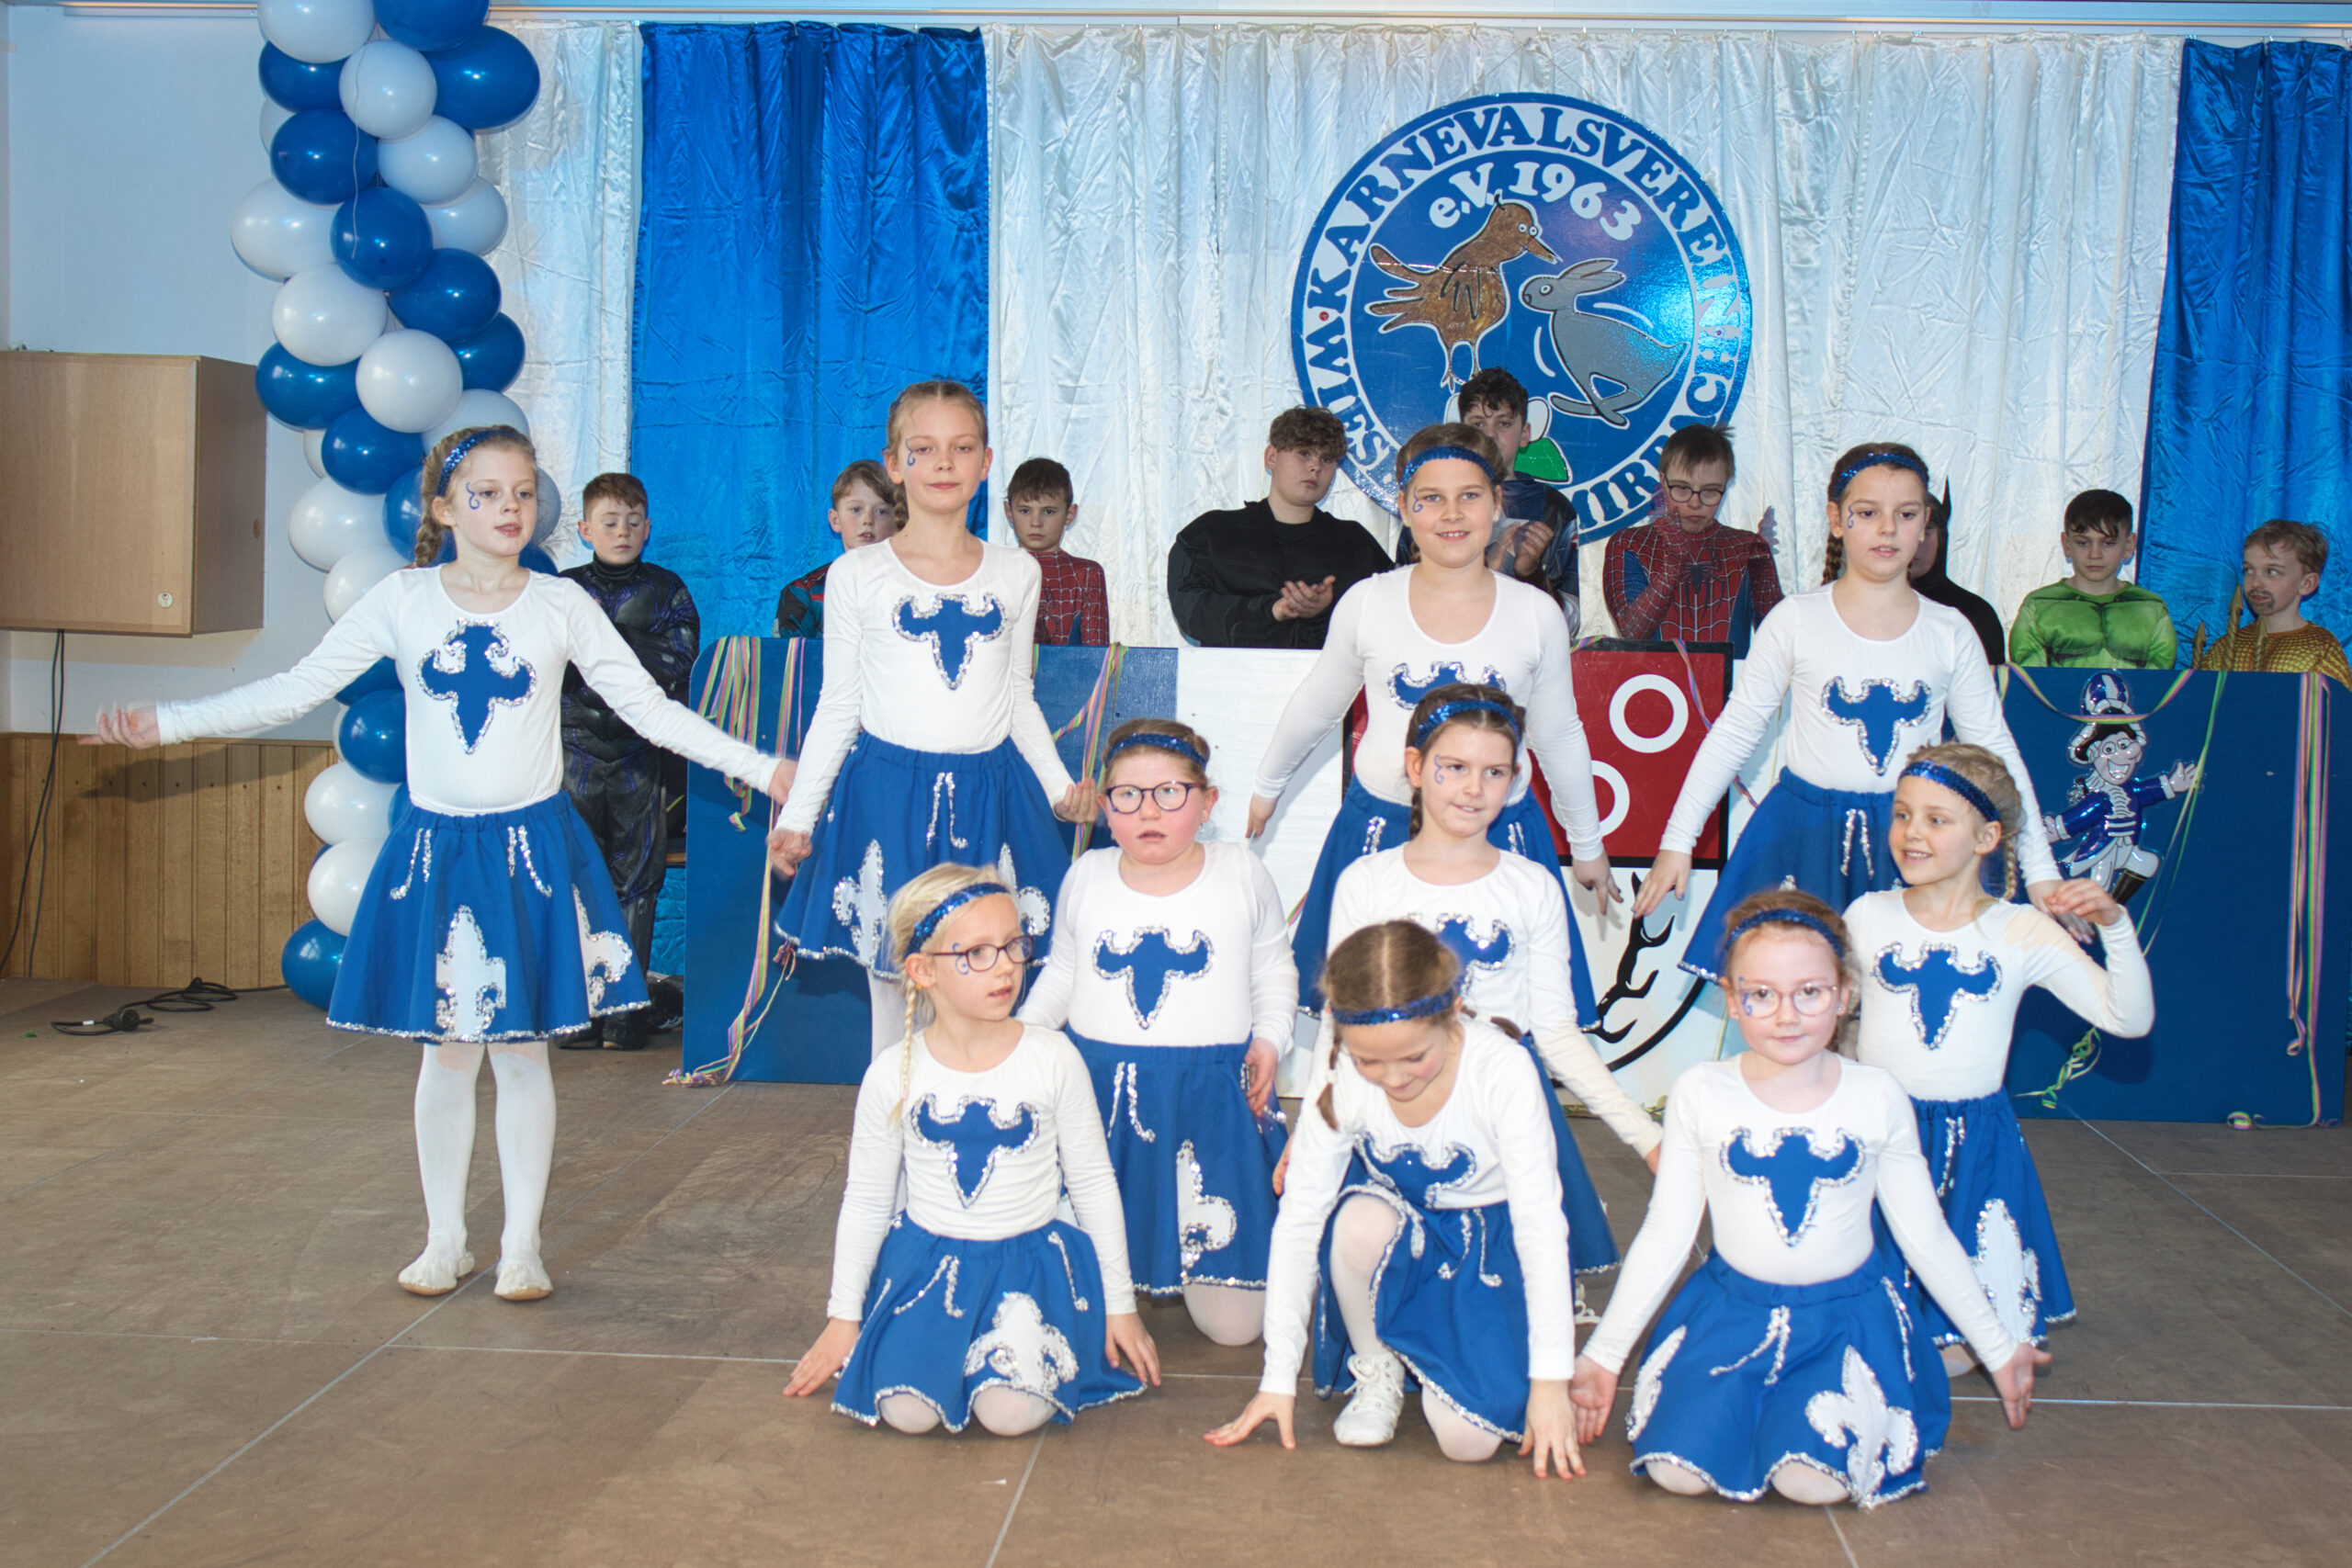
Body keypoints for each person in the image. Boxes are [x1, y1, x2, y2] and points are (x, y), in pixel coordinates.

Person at [85, 426, 790, 1303]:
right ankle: (445, 1238)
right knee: (448, 1055)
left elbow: (650, 709)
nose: (509, 508)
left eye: (523, 492)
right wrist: (168, 721)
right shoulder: (403, 600)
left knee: (523, 1053)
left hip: (531, 852)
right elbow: (295, 688)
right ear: (445, 508)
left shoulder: (562, 605)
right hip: (440, 853)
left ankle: (522, 1245)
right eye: (487, 493)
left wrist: (764, 767)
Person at [1569, 890, 2048, 1507]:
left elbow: (1925, 1235)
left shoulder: (1876, 1095)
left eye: (1810, 992)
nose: (1786, 1015)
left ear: (1844, 994)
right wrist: (1604, 1355)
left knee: (1810, 1482)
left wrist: (1997, 1345)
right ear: (1732, 997)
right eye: (1762, 994)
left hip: (1843, 1324)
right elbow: (1666, 1233)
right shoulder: (1701, 1092)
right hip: (1731, 1317)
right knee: (1676, 1474)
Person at [1635, 442, 2065, 980]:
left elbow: (1995, 750)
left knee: (1897, 997)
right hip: (1803, 836)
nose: (1887, 528)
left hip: (1912, 842)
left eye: (1905, 514)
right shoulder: (1796, 619)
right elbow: (1735, 731)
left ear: (1925, 525)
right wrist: (1677, 841)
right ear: (1837, 520)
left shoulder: (1951, 631)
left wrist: (2040, 869)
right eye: (1868, 512)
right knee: (1796, 993)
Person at [767, 381, 1095, 1058]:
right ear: (895, 463)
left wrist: (1060, 787)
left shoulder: (1016, 572)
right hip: (886, 797)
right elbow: (839, 704)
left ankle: (975, 1118)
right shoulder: (857, 574)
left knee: (986, 977)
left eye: (962, 448)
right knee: (898, 990)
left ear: (986, 462)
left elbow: (1017, 695)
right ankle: (896, 1125)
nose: (944, 463)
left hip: (990, 796)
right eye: (924, 449)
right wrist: (798, 817)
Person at [1248, 423, 1616, 1013]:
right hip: (1381, 829)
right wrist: (1268, 786)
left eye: (1469, 495)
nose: (1451, 514)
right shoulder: (1368, 602)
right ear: (1403, 507)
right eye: (1431, 498)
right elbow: (1319, 702)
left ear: (1497, 503)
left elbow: (1557, 733)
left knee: (1500, 1016)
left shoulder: (1536, 613)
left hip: (1500, 834)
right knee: (1376, 1013)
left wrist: (1588, 843)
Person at [782, 865, 1159, 1433]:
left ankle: (996, 1359)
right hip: (928, 1267)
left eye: (1013, 945)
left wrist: (1120, 1304)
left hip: (1031, 1267)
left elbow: (1093, 1184)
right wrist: (843, 1317)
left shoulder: (1053, 1058)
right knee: (906, 1413)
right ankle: (948, 1352)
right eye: (977, 953)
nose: (1006, 966)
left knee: (1008, 1415)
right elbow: (866, 1200)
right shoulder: (893, 1072)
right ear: (922, 970)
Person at [1305, 683, 1662, 1281]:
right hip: (1395, 1105)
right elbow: (1339, 1027)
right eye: (1454, 767)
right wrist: (1317, 1130)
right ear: (1415, 767)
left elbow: (1555, 1031)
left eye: (1493, 772)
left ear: (1515, 779)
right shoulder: (1366, 882)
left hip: (1503, 1114)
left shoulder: (1531, 885)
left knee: (1503, 1308)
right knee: (1379, 1270)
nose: (1473, 788)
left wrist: (1646, 1134)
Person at [1205, 921, 1582, 1474]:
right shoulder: (1343, 1075)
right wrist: (1278, 1378)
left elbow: (1540, 1226)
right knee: (1355, 1219)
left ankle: (1454, 1358)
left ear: (1453, 1011)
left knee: (1467, 1442)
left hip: (1492, 1251)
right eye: (1370, 1061)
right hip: (1404, 1238)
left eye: (1413, 1057)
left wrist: (1551, 1382)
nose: (1393, 1078)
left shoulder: (1502, 1070)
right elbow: (1301, 1219)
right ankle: (1377, 1363)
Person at [1849, 743, 2152, 1369]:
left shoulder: (2020, 931)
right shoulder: (1867, 916)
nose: (1911, 832)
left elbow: (2129, 1018)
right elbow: (1830, 1018)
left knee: (1960, 1346)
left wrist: (2116, 927)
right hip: (1880, 1130)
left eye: (1936, 819)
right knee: (1866, 1323)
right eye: (1902, 814)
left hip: (1974, 1143)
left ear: (1987, 836)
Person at [1017, 718, 1295, 1346]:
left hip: (1213, 1104)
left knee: (1235, 1330)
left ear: (1207, 801)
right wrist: (1021, 1039)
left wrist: (1271, 1039)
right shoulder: (1087, 874)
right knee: (1069, 1303)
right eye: (1128, 795)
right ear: (1104, 806)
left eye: (1170, 792)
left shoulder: (1241, 872)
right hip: (1100, 1100)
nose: (1148, 811)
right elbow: (1062, 974)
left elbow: (1274, 970)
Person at [556, 471, 700, 1052]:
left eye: (633, 521)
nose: (623, 531)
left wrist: (601, 638)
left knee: (638, 881)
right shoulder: (561, 592)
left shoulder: (667, 590)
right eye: (610, 521)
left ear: (648, 528)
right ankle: (577, 1010)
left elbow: (678, 664)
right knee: (576, 877)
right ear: (585, 529)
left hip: (640, 756)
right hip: (573, 754)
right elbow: (547, 665)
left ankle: (625, 1011)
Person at [1166, 406, 1392, 649]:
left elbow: (1391, 618)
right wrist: (1273, 609)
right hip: (1233, 672)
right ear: (1271, 457)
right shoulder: (1211, 534)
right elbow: (1192, 612)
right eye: (1304, 453)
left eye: (1327, 459)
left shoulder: (1355, 544)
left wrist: (1324, 612)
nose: (1316, 467)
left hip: (1330, 672)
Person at [1394, 369, 1581, 629]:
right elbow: (1399, 603)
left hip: (1521, 646)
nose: (1490, 435)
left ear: (1525, 434)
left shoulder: (1553, 508)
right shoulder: (1429, 504)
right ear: (1461, 432)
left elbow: (1570, 623)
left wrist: (1531, 574)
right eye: (1478, 424)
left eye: (1503, 424)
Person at [1601, 423, 1783, 655]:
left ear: (1726, 485)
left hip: (1731, 679)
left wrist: (1764, 572)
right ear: (1663, 481)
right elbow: (1632, 633)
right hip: (1655, 678)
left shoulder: (1748, 548)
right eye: (1682, 489)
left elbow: (1780, 641)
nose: (1695, 503)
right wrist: (1671, 567)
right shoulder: (1629, 544)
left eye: (1710, 491)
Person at [2007, 489, 2177, 669]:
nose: (2094, 554)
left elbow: (2159, 683)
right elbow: (2029, 681)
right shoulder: (2039, 607)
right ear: (2067, 544)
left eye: (2108, 543)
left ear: (2129, 545)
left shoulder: (2151, 609)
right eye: (2083, 542)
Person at [2195, 518, 2351, 684]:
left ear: (2306, 583)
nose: (2256, 583)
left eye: (2272, 572)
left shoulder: (2320, 648)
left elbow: (2337, 699)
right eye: (2249, 570)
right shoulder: (2224, 648)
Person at [1882, 481, 2005, 666]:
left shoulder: (1974, 614)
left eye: (1926, 531)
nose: (1915, 543)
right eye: (1904, 531)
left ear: (1941, 538)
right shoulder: (1860, 609)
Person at [775, 460, 899, 639]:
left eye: (881, 511)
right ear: (835, 520)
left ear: (897, 522)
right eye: (856, 509)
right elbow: (793, 657)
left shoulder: (912, 588)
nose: (867, 520)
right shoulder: (803, 594)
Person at [1002, 457, 1110, 647]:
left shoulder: (1087, 574)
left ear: (1070, 514)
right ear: (1009, 512)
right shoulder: (996, 569)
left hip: (1069, 667)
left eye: (1049, 511)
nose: (1036, 522)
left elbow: (1096, 655)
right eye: (1025, 511)